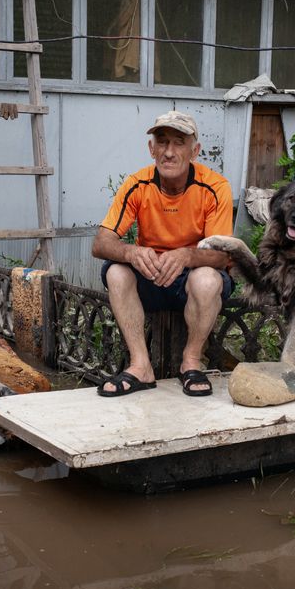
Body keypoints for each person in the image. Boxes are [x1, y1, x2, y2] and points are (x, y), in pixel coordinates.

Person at [92, 111, 234, 397]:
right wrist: (131, 252)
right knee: (116, 270)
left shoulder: (215, 186)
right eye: (162, 142)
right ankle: (141, 366)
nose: (169, 152)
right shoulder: (137, 183)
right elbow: (101, 244)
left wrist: (186, 256)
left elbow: (222, 257)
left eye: (179, 143)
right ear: (151, 149)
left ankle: (191, 363)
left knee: (207, 279)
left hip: (192, 281)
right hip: (152, 277)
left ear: (195, 150)